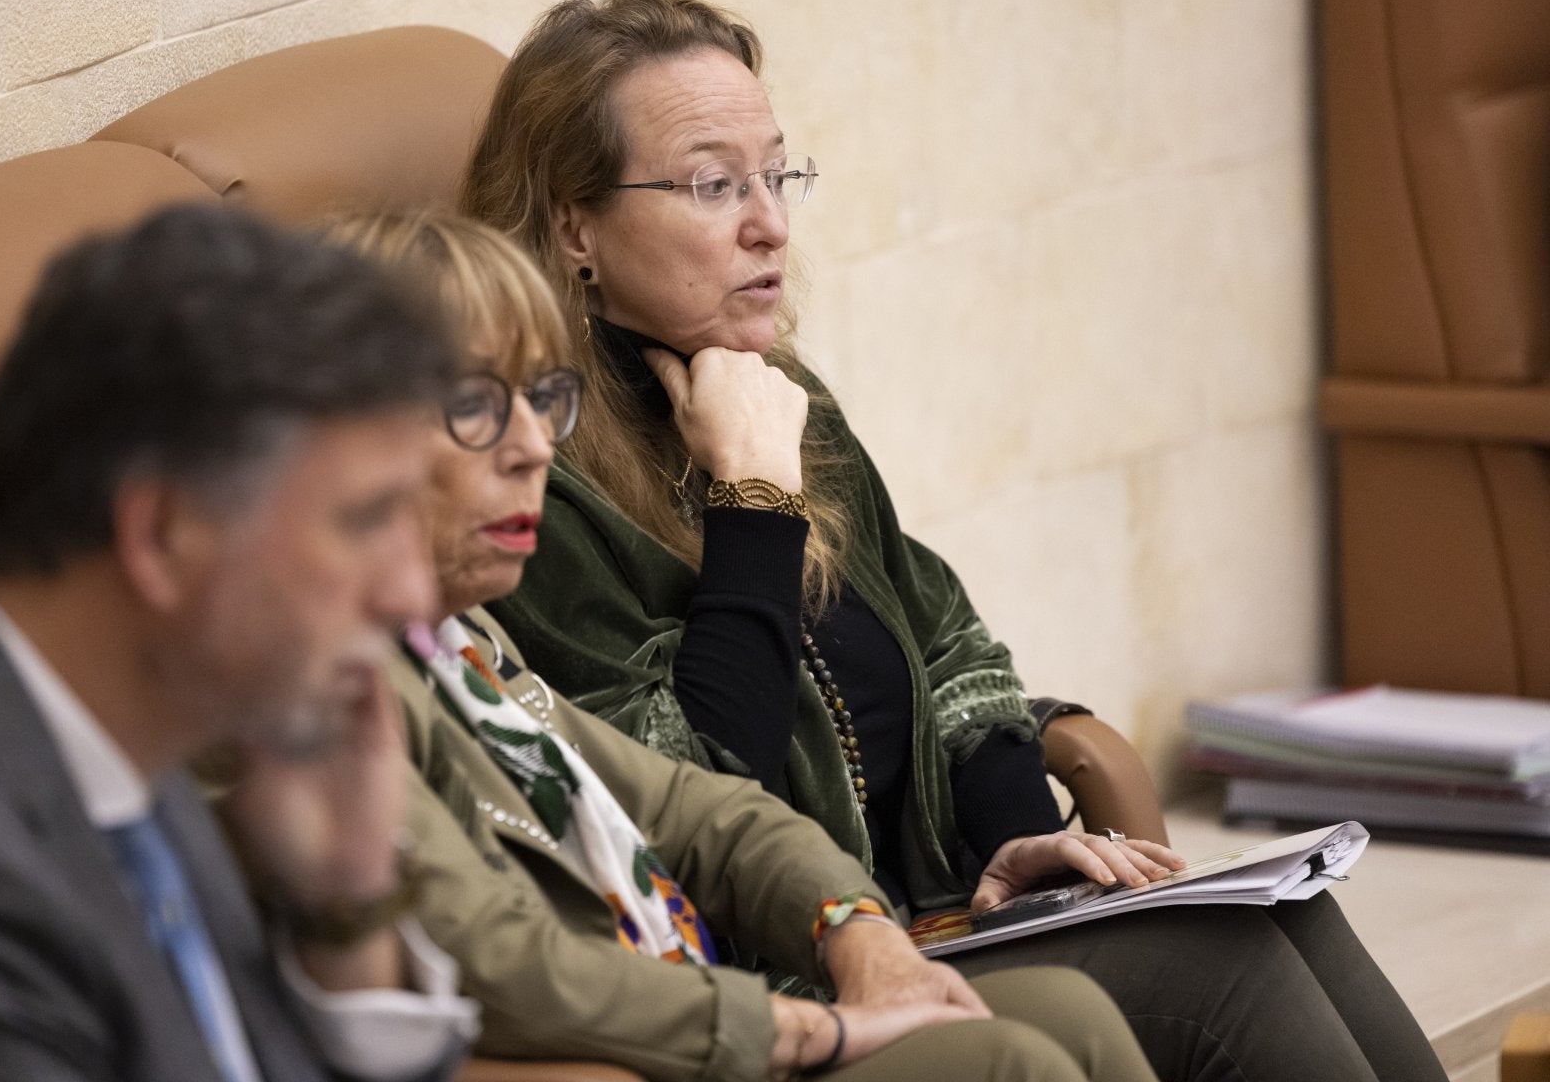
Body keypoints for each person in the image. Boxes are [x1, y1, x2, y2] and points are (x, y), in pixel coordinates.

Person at [459, 0, 1449, 1082]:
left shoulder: (773, 392)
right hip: (787, 984)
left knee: (1289, 919)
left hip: (940, 917)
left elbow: (946, 643)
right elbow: (692, 792)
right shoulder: (526, 484)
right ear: (572, 227)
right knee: (1227, 969)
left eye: (776, 175)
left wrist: (1028, 851)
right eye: (711, 185)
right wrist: (752, 502)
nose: (771, 224)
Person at [326, 209, 1158, 1082]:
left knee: (1078, 1011)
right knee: (1006, 1063)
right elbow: (506, 960)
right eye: (476, 408)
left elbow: (700, 812)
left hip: (796, 969)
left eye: (543, 401)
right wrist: (794, 1027)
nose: (535, 447)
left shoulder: (457, 639)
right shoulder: (323, 686)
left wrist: (851, 922)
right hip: (675, 1037)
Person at [0, 204, 478, 1082]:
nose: (411, 591)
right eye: (365, 520)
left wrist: (345, 904)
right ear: (162, 535)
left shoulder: (135, 712)